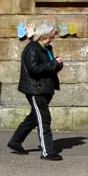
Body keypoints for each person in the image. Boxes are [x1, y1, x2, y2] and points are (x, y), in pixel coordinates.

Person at [7, 22, 64, 161]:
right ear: (42, 36)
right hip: (35, 89)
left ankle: (15, 141)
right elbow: (34, 69)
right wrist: (53, 63)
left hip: (45, 88)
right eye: (50, 37)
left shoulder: (47, 48)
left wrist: (57, 64)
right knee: (44, 119)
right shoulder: (32, 49)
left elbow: (49, 68)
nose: (52, 39)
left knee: (34, 117)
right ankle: (47, 151)